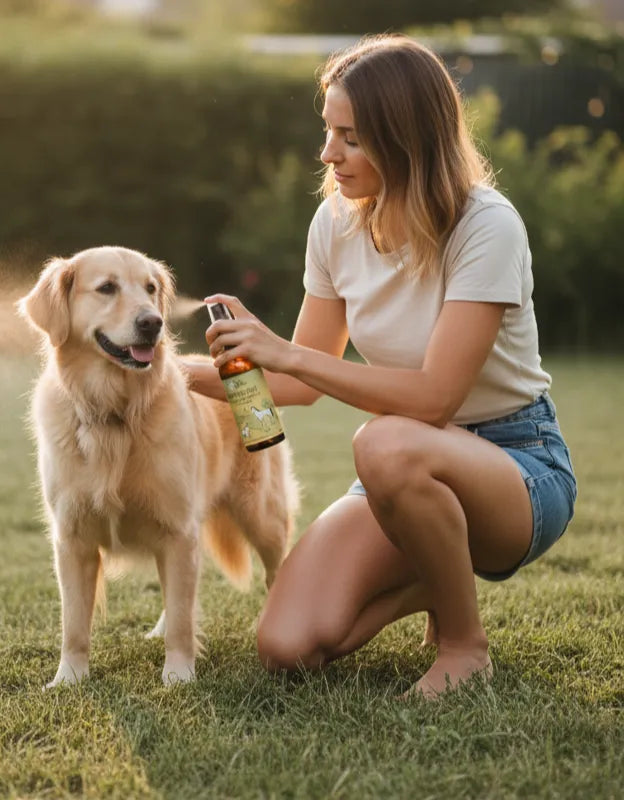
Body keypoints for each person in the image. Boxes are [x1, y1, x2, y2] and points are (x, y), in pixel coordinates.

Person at [184, 34, 577, 699]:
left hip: (517, 464)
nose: (328, 153)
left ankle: (464, 645)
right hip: (404, 470)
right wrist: (162, 373)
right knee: (287, 646)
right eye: (328, 131)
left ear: (408, 140)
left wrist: (286, 351)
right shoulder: (335, 224)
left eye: (352, 138)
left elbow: (434, 399)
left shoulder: (486, 226)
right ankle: (435, 571)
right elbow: (290, 384)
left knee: (384, 441)